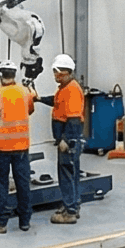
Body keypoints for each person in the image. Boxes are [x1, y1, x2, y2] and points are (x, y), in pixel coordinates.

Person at [0, 64, 34, 234]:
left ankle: (0, 223)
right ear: (14, 74)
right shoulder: (25, 92)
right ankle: (25, 221)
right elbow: (30, 109)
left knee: (2, 184)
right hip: (21, 147)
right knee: (23, 183)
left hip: (1, 146)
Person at [47, 54, 87, 225]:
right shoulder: (64, 88)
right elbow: (57, 103)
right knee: (72, 173)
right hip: (70, 139)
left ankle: (69, 212)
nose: (56, 76)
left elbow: (74, 118)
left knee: (66, 175)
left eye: (58, 73)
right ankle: (72, 204)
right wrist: (39, 98)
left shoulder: (71, 90)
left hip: (69, 140)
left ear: (67, 72)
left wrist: (65, 139)